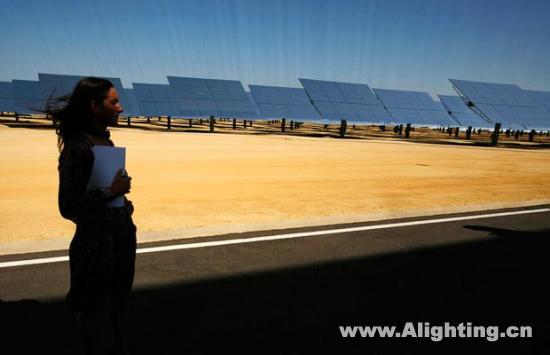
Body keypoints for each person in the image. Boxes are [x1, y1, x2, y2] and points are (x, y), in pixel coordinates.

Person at [50, 77, 136, 355]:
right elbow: (68, 206)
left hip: (120, 240)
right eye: (114, 102)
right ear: (95, 107)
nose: (120, 108)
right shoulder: (78, 148)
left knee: (121, 304)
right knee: (91, 310)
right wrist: (112, 192)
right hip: (95, 245)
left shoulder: (106, 143)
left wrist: (123, 203)